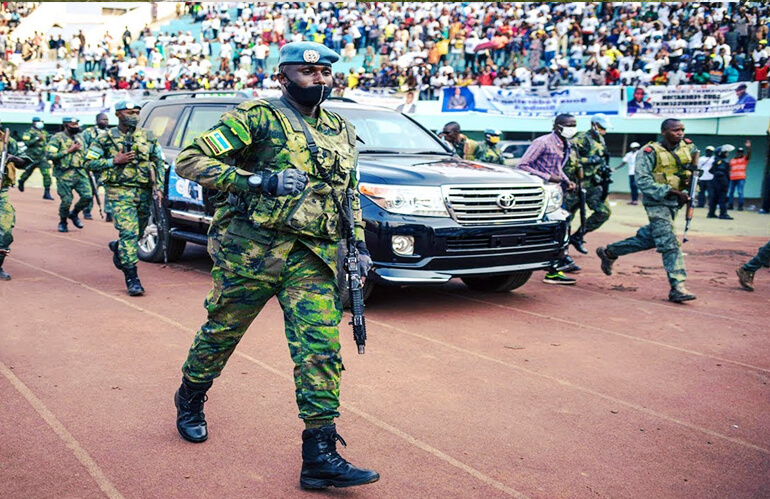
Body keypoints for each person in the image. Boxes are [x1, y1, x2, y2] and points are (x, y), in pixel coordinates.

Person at [171, 41, 379, 490]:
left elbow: (348, 195)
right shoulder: (258, 118)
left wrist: (358, 246)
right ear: (282, 78)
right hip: (252, 252)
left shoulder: (340, 129)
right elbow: (191, 160)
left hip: (312, 257)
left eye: (325, 71)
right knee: (222, 333)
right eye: (308, 72)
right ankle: (190, 396)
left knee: (320, 350)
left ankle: (319, 454)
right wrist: (258, 180)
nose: (319, 79)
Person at [596, 119, 698, 303]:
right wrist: (671, 191)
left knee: (649, 238)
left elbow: (691, 171)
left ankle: (610, 251)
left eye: (682, 129)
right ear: (664, 132)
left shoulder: (689, 147)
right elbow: (642, 181)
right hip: (657, 202)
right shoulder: (648, 152)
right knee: (669, 241)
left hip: (677, 202)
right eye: (676, 130)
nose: (680, 133)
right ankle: (678, 286)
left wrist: (690, 186)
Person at [85, 101, 165, 296]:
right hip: (119, 191)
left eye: (137, 112)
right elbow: (88, 163)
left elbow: (158, 161)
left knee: (138, 231)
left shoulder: (148, 136)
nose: (135, 115)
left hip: (144, 191)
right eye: (130, 112)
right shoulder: (105, 139)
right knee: (129, 232)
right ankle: (132, 277)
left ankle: (120, 248)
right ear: (118, 114)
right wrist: (114, 160)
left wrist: (160, 187)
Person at [517, 113, 578, 283]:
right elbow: (522, 165)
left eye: (574, 125)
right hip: (539, 193)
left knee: (562, 226)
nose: (572, 129)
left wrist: (567, 181)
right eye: (569, 125)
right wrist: (548, 177)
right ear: (557, 126)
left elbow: (557, 168)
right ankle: (552, 267)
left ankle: (557, 264)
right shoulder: (542, 142)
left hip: (554, 193)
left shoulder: (565, 144)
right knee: (551, 228)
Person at [566, 114, 613, 254]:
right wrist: (589, 160)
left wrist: (603, 168)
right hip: (576, 184)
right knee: (566, 217)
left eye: (605, 128)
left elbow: (602, 157)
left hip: (592, 184)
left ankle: (578, 236)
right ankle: (561, 249)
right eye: (601, 128)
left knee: (603, 212)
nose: (604, 131)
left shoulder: (600, 140)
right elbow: (569, 159)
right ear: (594, 125)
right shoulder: (580, 139)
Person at [46, 117, 93, 233]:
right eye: (73, 125)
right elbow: (49, 155)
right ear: (66, 126)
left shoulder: (80, 138)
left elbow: (85, 153)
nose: (76, 127)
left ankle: (74, 213)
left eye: (77, 124)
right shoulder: (57, 138)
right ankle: (63, 221)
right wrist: (68, 150)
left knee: (87, 196)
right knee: (66, 200)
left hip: (80, 172)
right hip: (64, 174)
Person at [0, 127, 30, 281]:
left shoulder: (7, 141)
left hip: (1, 192)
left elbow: (24, 161)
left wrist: (12, 158)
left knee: (5, 231)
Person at [81, 113, 113, 222]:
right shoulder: (88, 133)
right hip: (92, 167)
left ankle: (109, 213)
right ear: (97, 120)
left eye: (107, 119)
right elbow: (83, 147)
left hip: (105, 167)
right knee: (91, 190)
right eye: (103, 119)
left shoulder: (111, 133)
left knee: (109, 191)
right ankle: (87, 211)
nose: (106, 121)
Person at [17, 117, 53, 200]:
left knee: (46, 174)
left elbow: (48, 140)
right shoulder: (28, 132)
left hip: (42, 157)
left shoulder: (44, 132)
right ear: (34, 123)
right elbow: (27, 143)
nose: (40, 123)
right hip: (32, 157)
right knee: (28, 172)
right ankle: (21, 181)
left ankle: (47, 192)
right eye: (38, 122)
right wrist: (36, 138)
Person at [708, 145, 734, 220]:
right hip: (721, 182)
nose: (727, 154)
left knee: (714, 198)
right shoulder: (722, 161)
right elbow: (721, 172)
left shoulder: (716, 160)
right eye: (726, 152)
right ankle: (723, 214)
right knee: (722, 198)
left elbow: (711, 170)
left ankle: (711, 213)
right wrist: (724, 184)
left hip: (715, 182)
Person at [727, 140, 751, 211]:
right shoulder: (732, 160)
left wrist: (749, 148)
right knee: (731, 192)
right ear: (736, 152)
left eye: (741, 152)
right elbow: (729, 169)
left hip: (741, 178)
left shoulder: (744, 159)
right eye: (738, 152)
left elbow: (749, 154)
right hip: (732, 178)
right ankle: (730, 205)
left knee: (740, 192)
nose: (739, 153)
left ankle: (740, 206)